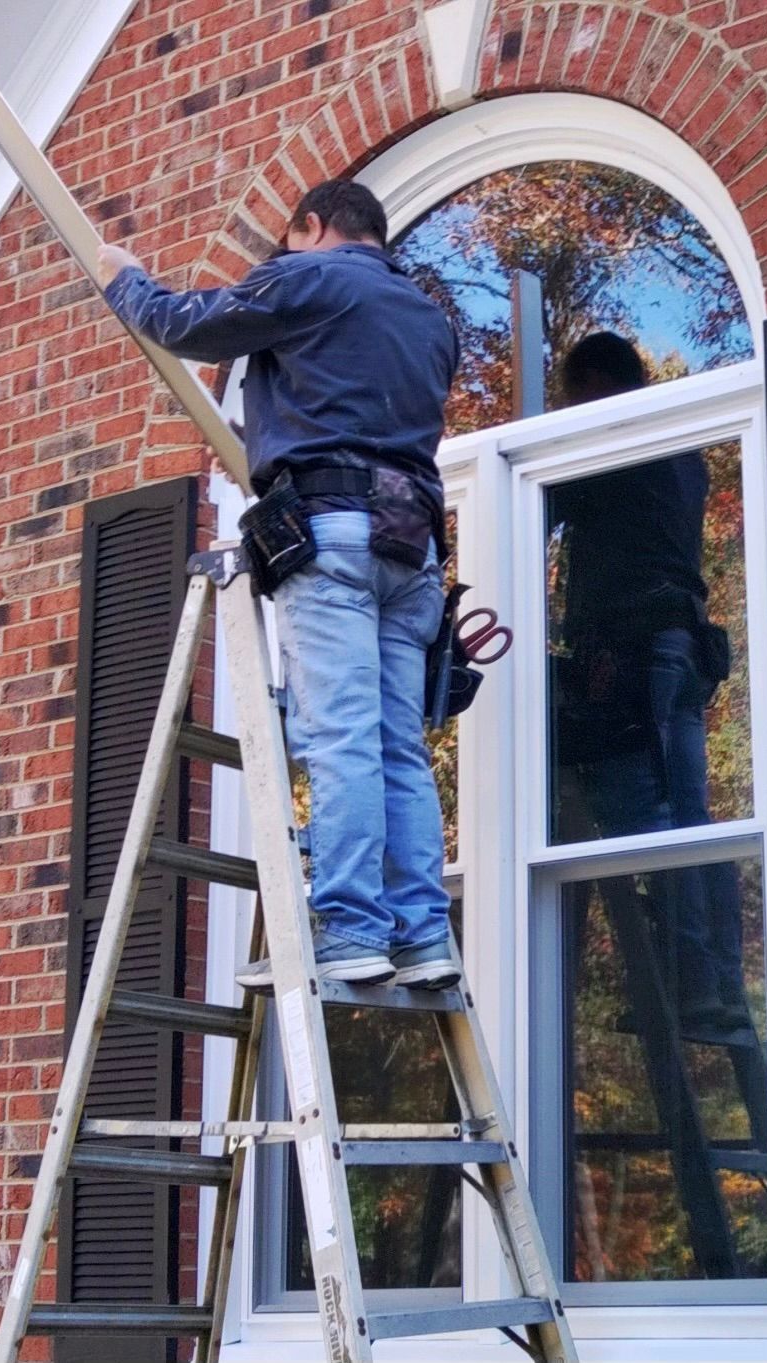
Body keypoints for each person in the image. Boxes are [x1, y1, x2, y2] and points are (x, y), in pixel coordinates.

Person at [97, 178, 460, 990]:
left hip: (332, 530)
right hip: (413, 546)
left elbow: (187, 324)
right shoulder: (428, 317)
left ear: (313, 224)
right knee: (396, 748)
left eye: (290, 238)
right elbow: (353, 404)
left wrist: (122, 275)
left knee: (338, 741)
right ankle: (425, 934)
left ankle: (354, 931)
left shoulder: (311, 276)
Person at [550, 332, 747, 1031]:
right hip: (679, 644)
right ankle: (711, 984)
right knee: (690, 817)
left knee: (653, 818)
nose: (566, 409)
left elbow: (540, 500)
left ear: (597, 384)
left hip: (638, 646)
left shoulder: (615, 435)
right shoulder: (680, 448)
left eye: (571, 395)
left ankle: (692, 982)